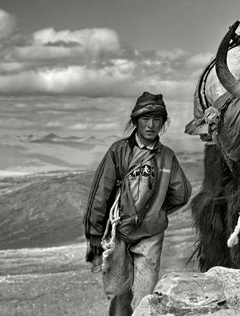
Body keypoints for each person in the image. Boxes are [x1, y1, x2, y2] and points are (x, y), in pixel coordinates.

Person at [83, 92, 192, 315]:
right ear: (135, 121)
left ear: (163, 123)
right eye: (145, 119)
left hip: (149, 236)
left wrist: (157, 212)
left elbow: (181, 193)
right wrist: (94, 234)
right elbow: (100, 194)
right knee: (118, 293)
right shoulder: (119, 151)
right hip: (119, 234)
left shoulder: (167, 157)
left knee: (144, 297)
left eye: (157, 120)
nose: (151, 125)